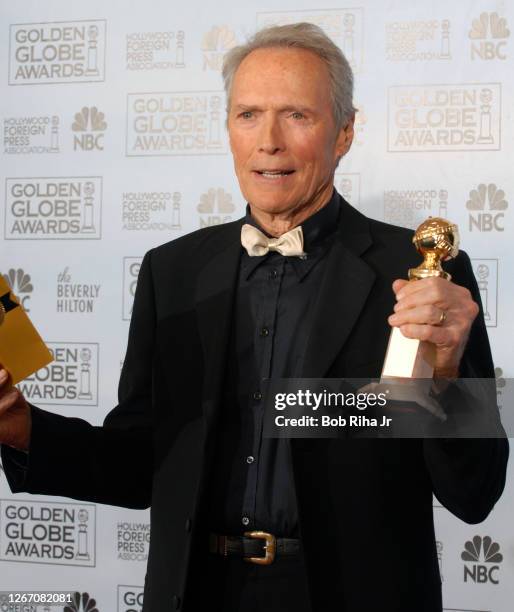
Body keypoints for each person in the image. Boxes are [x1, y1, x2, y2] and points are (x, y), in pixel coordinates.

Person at [0, 22, 508, 612]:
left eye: (296, 115)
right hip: (199, 593)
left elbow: (475, 493)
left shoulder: (424, 274)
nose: (268, 141)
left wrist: (443, 376)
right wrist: (21, 427)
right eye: (248, 115)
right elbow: (143, 463)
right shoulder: (174, 271)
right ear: (228, 129)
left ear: (344, 132)